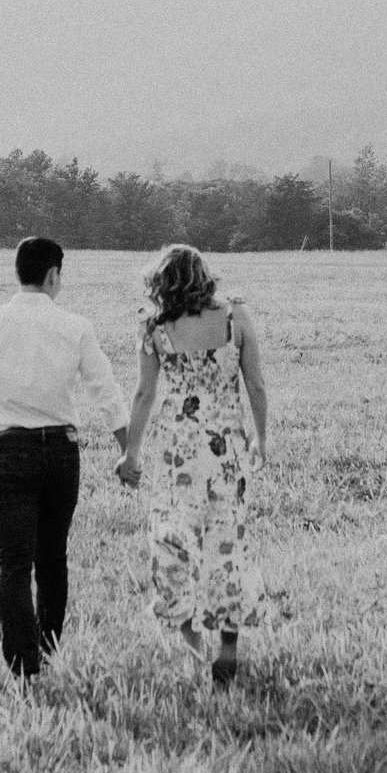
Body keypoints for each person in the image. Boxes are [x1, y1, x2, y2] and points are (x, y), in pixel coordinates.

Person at [0, 236, 128, 682]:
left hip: (9, 452)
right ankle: (48, 650)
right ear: (53, 274)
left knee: (13, 563)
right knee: (53, 559)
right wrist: (128, 449)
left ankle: (23, 666)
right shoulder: (75, 326)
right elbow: (105, 391)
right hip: (62, 453)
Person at [116, 243, 269, 688]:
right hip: (226, 450)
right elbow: (255, 385)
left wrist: (131, 453)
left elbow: (144, 394)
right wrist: (261, 440)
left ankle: (191, 638)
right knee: (228, 542)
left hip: (177, 451)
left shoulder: (153, 326)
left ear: (161, 281)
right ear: (204, 275)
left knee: (171, 540)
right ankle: (228, 645)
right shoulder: (235, 318)